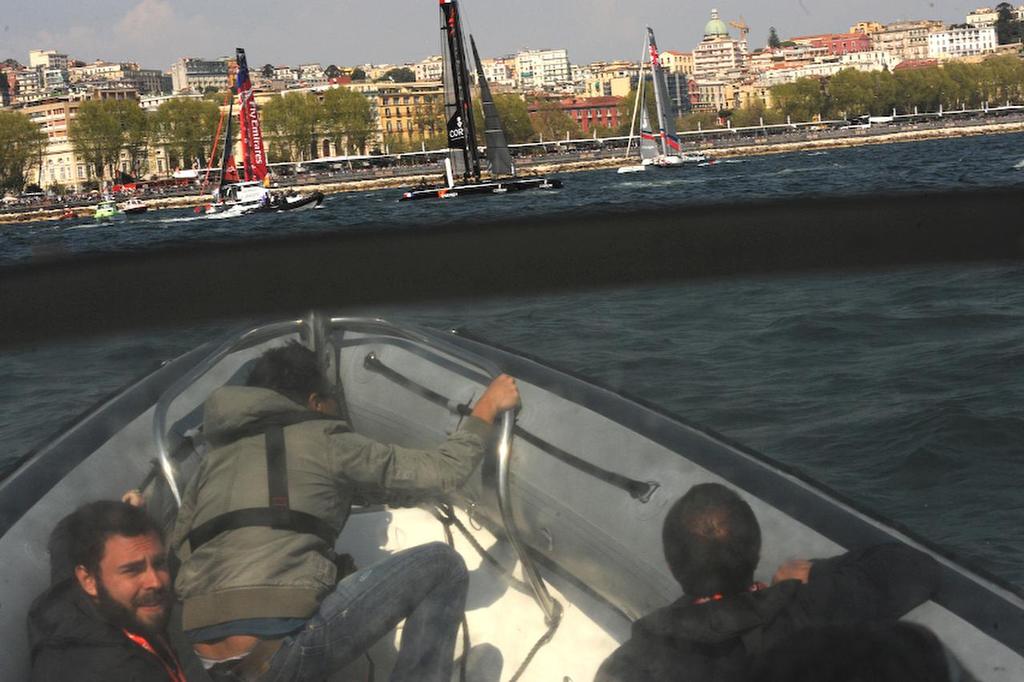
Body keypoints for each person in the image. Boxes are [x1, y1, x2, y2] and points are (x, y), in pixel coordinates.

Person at [171, 341, 520, 681]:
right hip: (275, 659)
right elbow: (445, 472)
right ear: (314, 402)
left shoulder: (212, 461)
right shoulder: (325, 437)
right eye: (332, 398)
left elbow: (181, 547)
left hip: (202, 661)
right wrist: (485, 408)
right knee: (442, 566)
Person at [595, 482, 941, 682]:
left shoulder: (628, 667)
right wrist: (806, 577)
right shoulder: (809, 610)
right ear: (757, 552)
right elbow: (914, 567)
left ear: (672, 565)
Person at [28, 500, 185, 682]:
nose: (155, 582)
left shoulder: (69, 603)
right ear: (88, 580)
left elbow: (65, 538)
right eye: (132, 570)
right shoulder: (117, 671)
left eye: (159, 564)